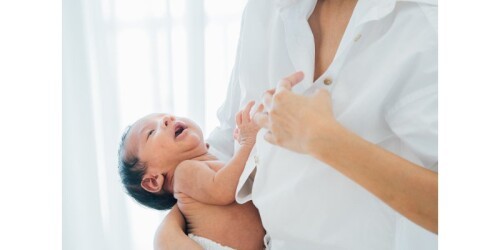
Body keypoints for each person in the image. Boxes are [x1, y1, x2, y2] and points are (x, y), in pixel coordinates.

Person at [158, 0, 438, 249]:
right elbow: (225, 144)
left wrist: (326, 141)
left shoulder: (424, 28)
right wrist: (169, 231)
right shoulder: (263, 11)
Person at [117, 101, 266, 250]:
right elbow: (223, 189)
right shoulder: (184, 173)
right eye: (151, 132)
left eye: (166, 116)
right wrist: (247, 143)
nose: (167, 119)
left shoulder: (209, 164)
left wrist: (240, 144)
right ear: (154, 180)